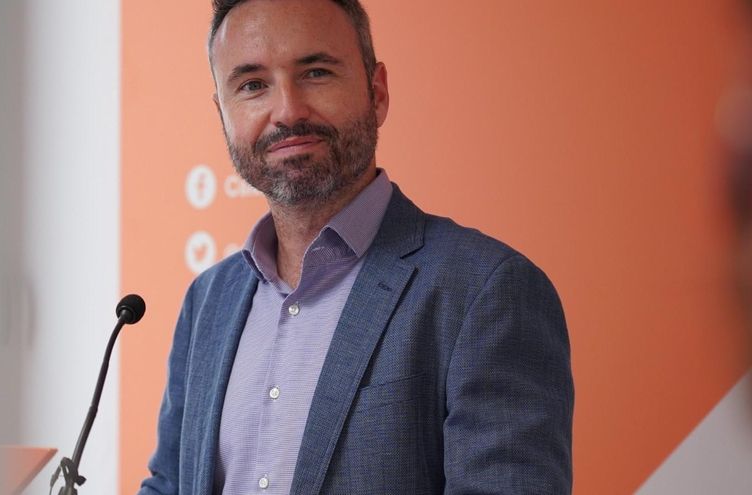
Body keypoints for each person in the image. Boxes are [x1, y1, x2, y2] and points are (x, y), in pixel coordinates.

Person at [139, 0, 574, 493]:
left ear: (378, 92)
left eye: (316, 72)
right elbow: (170, 482)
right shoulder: (208, 301)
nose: (287, 111)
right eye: (253, 85)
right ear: (224, 115)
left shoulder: (484, 292)